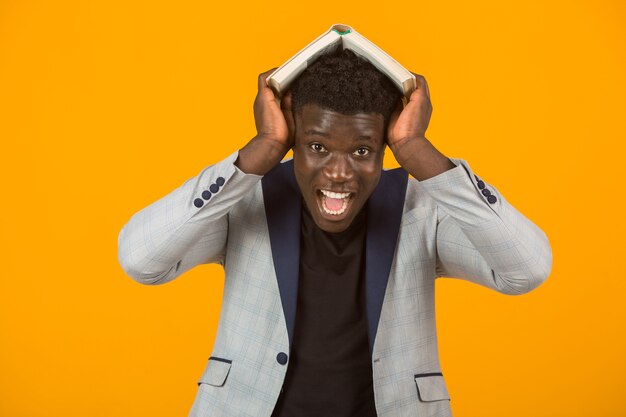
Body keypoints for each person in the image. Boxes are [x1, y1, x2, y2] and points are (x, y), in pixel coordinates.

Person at [117, 49, 552, 417]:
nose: (339, 173)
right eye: (318, 147)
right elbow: (141, 261)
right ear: (294, 140)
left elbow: (526, 270)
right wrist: (259, 151)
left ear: (386, 146)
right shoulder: (249, 198)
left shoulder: (419, 208)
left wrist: (419, 151)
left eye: (362, 150)